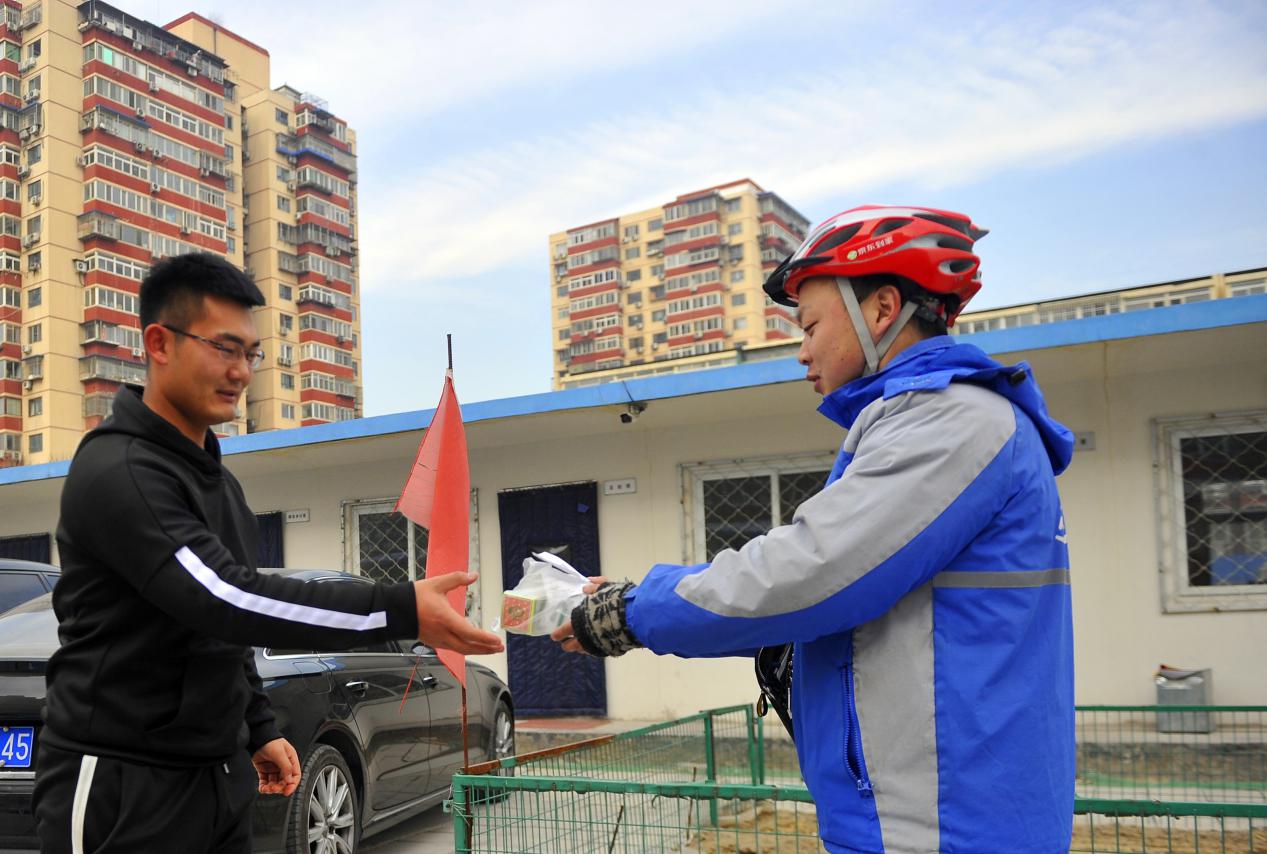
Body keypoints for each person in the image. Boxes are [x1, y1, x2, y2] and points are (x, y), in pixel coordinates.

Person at [553, 206, 1076, 853]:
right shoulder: (937, 420)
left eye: (809, 325)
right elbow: (848, 593)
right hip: (937, 813)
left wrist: (632, 611)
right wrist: (634, 600)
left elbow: (810, 575)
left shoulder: (947, 421)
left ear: (882, 310)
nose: (800, 351)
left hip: (939, 825)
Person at [33, 253, 502, 854]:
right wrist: (400, 607)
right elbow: (224, 599)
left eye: (250, 354)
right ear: (159, 342)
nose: (241, 371)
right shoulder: (120, 471)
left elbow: (223, 630)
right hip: (122, 780)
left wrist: (256, 726)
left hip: (214, 774)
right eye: (224, 348)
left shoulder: (217, 483)